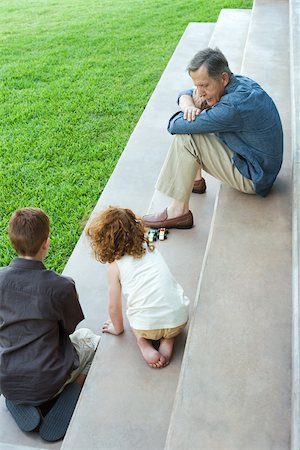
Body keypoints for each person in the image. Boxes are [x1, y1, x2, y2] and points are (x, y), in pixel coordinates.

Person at [143, 47, 283, 229]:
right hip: (257, 161)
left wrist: (192, 108)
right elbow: (185, 94)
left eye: (205, 85)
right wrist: (188, 106)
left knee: (187, 138)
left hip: (254, 176)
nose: (200, 92)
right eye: (197, 85)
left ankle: (178, 212)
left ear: (223, 78)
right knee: (197, 122)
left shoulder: (233, 106)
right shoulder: (237, 81)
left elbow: (174, 125)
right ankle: (194, 181)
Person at [0, 207, 100, 436]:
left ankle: (19, 395)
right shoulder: (61, 286)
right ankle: (71, 389)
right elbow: (70, 327)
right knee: (91, 340)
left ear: (12, 241)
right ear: (46, 243)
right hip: (49, 378)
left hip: (6, 375)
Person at [86, 206, 190, 369]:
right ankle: (169, 339)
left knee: (134, 310)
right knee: (166, 300)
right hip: (179, 317)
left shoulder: (115, 267)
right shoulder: (149, 248)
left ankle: (143, 343)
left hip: (146, 325)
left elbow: (114, 307)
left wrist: (117, 328)